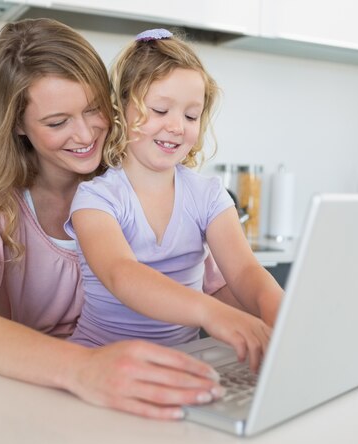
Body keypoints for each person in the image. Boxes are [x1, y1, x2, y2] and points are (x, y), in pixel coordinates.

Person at [0, 18, 252, 420]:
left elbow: (216, 285)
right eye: (57, 122)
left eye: (93, 109)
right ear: (17, 124)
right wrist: (83, 368)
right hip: (26, 396)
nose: (85, 135)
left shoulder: (138, 176)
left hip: (128, 389)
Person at [64, 29, 283, 371]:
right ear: (121, 108)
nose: (177, 126)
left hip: (181, 363)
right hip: (98, 364)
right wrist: (212, 313)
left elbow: (244, 271)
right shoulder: (96, 198)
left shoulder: (208, 195)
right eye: (160, 109)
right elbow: (123, 275)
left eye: (191, 115)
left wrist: (282, 315)